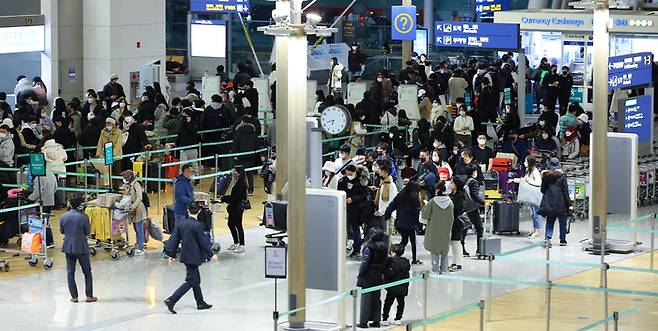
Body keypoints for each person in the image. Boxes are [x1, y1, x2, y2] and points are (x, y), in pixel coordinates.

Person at [164, 201, 217, 314]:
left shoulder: (181, 224)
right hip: (194, 257)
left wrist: (172, 255)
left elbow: (176, 240)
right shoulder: (198, 225)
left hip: (185, 256)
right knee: (190, 281)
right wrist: (211, 254)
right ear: (199, 211)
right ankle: (172, 300)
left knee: (196, 280)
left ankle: (200, 302)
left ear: (188, 210)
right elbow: (202, 243)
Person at [60, 196, 96, 303]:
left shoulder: (63, 216)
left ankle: (74, 297)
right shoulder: (83, 217)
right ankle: (89, 296)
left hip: (68, 247)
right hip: (81, 247)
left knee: (70, 272)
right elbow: (88, 232)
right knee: (87, 272)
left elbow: (62, 231)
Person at [357, 228, 388, 329]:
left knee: (365, 299)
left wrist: (360, 273)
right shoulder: (384, 247)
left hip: (368, 276)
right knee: (376, 299)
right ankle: (376, 320)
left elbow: (365, 263)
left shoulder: (368, 247)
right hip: (378, 276)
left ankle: (363, 322)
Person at [384, 181, 422, 264]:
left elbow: (392, 206)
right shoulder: (414, 198)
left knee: (404, 241)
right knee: (413, 242)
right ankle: (414, 259)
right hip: (410, 223)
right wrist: (419, 224)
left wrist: (387, 215)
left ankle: (395, 252)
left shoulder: (400, 195)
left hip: (400, 223)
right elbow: (417, 211)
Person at [421, 180, 454, 273]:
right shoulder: (450, 202)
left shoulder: (432, 202)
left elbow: (425, 216)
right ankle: (444, 269)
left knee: (434, 249)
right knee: (445, 250)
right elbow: (452, 218)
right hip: (446, 230)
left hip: (434, 229)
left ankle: (435, 269)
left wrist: (425, 206)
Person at [539, 158, 573, 247]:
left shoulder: (546, 176)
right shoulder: (562, 177)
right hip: (561, 203)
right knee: (562, 222)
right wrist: (570, 204)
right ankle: (562, 239)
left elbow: (542, 190)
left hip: (549, 202)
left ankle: (548, 238)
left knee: (550, 221)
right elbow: (565, 192)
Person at [337, 164, 369, 257]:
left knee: (354, 228)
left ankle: (357, 248)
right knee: (347, 228)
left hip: (357, 209)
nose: (348, 174)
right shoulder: (343, 180)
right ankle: (349, 245)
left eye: (350, 173)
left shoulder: (360, 182)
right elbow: (339, 191)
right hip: (345, 207)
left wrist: (353, 199)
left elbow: (364, 195)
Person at [511, 155, 543, 238]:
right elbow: (523, 180)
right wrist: (514, 180)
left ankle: (537, 231)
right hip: (532, 196)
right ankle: (534, 230)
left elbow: (539, 183)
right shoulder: (529, 171)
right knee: (533, 214)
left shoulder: (535, 171)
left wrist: (530, 181)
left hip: (535, 196)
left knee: (536, 214)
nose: (524, 163)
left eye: (526, 161)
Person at [232, 108, 260, 195]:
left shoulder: (238, 131)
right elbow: (257, 143)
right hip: (251, 154)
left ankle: (240, 189)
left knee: (239, 173)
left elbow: (235, 143)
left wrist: (235, 154)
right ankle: (251, 189)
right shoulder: (253, 131)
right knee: (250, 173)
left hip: (240, 154)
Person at [381, 243, 410, 326]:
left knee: (388, 302)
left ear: (393, 252)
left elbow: (389, 273)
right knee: (401, 302)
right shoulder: (406, 262)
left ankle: (385, 318)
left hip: (392, 286)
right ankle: (398, 318)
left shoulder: (391, 261)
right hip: (403, 286)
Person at [222, 166, 248, 253]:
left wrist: (224, 199)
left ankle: (242, 244)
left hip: (237, 207)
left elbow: (235, 197)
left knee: (238, 225)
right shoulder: (236, 182)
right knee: (230, 224)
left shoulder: (241, 184)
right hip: (233, 206)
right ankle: (236, 242)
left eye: (235, 171)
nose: (233, 172)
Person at [28, 169, 58, 248]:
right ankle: (50, 241)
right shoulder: (51, 173)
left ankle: (44, 242)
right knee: (46, 222)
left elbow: (37, 192)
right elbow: (56, 187)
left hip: (41, 202)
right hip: (50, 201)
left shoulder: (39, 177)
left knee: (40, 222)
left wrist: (29, 198)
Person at [121, 170, 147, 255]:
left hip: (138, 209)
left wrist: (133, 207)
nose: (124, 179)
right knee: (136, 229)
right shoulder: (129, 186)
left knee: (139, 229)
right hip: (133, 210)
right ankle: (138, 244)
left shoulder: (136, 185)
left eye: (125, 178)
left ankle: (141, 248)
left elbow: (139, 197)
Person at [463, 164, 487, 255]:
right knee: (479, 228)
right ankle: (479, 249)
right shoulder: (473, 182)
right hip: (472, 208)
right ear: (474, 172)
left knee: (464, 227)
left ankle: (462, 248)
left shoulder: (464, 180)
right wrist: (484, 203)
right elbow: (474, 195)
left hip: (463, 207)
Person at [373, 160, 398, 232]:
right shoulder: (383, 183)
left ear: (386, 172)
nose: (379, 171)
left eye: (381, 170)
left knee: (387, 236)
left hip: (388, 214)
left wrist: (382, 211)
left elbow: (391, 202)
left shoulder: (391, 185)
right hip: (381, 213)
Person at [449, 176, 466, 270]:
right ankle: (454, 262)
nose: (450, 184)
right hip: (451, 221)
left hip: (457, 221)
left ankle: (458, 263)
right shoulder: (452, 194)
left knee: (456, 243)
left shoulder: (460, 196)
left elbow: (458, 209)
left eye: (452, 182)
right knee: (452, 243)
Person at [174, 164, 195, 229]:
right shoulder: (180, 183)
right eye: (191, 171)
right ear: (186, 171)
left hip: (187, 210)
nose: (192, 173)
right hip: (180, 211)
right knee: (178, 232)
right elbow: (181, 197)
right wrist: (191, 202)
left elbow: (191, 194)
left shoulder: (189, 182)